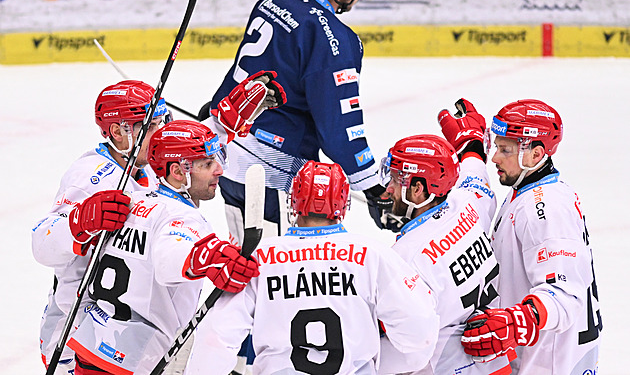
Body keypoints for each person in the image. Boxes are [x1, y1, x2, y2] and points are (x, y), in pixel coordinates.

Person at [198, 0, 393, 246]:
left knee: (239, 265)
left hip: (228, 159)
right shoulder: (336, 40)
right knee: (267, 279)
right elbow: (339, 124)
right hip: (271, 174)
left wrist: (218, 106)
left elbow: (248, 68)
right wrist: (371, 185)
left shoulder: (275, 2)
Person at [185, 160, 440, 375]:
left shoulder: (260, 258)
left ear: (294, 200)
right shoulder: (373, 255)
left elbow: (215, 339)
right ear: (342, 204)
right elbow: (420, 336)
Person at [65, 120, 260, 375]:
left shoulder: (133, 200)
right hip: (131, 359)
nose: (219, 170)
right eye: (207, 164)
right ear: (178, 172)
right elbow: (168, 258)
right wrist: (208, 257)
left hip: (91, 344)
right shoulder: (183, 216)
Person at [32, 80, 167, 375]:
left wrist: (221, 125)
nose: (161, 135)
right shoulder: (91, 176)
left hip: (118, 332)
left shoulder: (146, 167)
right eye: (152, 126)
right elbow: (41, 243)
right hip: (75, 333)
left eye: (163, 122)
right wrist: (80, 221)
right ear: (119, 132)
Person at [461, 99, 602, 374]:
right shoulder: (528, 190)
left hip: (549, 365)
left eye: (505, 150)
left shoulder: (545, 207)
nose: (495, 158)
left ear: (536, 154)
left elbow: (564, 295)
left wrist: (516, 322)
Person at [377, 99, 511, 374]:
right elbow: (474, 171)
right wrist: (471, 144)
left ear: (418, 190)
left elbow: (407, 343)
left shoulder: (407, 258)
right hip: (495, 362)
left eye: (395, 179)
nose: (388, 189)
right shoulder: (468, 202)